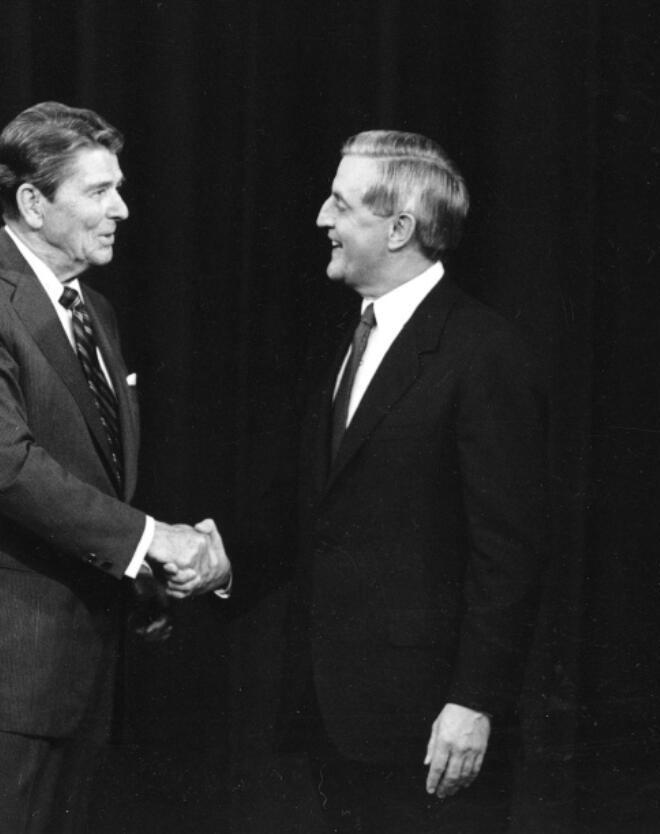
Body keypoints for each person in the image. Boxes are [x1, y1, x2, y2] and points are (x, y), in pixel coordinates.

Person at [0, 101, 229, 833]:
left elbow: (93, 474)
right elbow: (3, 467)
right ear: (32, 202)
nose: (121, 207)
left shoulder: (96, 313)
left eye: (118, 187)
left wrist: (142, 579)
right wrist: (154, 541)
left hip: (85, 675)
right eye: (97, 191)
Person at [229, 130, 546, 833]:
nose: (321, 219)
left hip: (435, 733)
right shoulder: (345, 339)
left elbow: (510, 553)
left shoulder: (483, 353)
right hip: (338, 725)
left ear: (400, 227)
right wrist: (209, 566)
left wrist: (475, 702)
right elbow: (319, 514)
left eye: (340, 205)